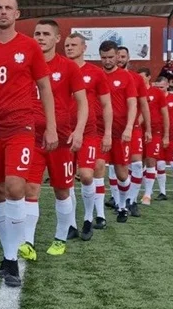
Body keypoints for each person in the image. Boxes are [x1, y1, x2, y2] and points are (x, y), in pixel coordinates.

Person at [0, 0, 57, 287]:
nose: (3, 12)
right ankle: (7, 256)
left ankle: (12, 259)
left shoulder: (29, 46)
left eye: (8, 8)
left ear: (17, 14)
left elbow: (45, 87)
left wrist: (50, 127)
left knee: (15, 186)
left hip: (21, 127)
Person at [26, 19, 87, 257]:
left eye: (46, 34)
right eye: (37, 33)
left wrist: (78, 131)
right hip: (31, 137)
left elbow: (82, 102)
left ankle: (60, 237)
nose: (40, 38)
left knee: (62, 190)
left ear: (57, 38)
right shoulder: (26, 64)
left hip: (61, 139)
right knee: (30, 189)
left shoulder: (68, 67)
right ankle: (27, 242)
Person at [63, 32, 112, 241]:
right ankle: (71, 224)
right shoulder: (59, 70)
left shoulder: (96, 73)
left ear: (84, 48)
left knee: (86, 175)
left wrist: (107, 133)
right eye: (67, 45)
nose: (69, 48)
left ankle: (88, 218)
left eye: (74, 45)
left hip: (89, 133)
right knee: (65, 180)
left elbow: (106, 104)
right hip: (64, 133)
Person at [99, 41, 139, 222]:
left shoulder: (126, 77)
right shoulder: (97, 75)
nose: (107, 61)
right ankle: (99, 215)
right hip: (99, 132)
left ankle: (123, 204)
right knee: (97, 170)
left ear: (117, 56)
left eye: (110, 57)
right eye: (104, 57)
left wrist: (129, 127)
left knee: (122, 173)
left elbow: (132, 104)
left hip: (120, 132)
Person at [115, 46, 150, 216]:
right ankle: (117, 200)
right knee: (115, 166)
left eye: (123, 56)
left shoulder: (136, 78)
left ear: (128, 58)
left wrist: (147, 128)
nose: (120, 59)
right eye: (118, 56)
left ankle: (132, 200)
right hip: (113, 129)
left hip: (133, 128)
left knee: (136, 164)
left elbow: (143, 105)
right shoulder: (104, 75)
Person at [137, 68, 169, 205]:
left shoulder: (157, 93)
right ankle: (133, 194)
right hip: (138, 131)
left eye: (142, 77)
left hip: (154, 132)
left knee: (151, 160)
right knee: (137, 163)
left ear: (149, 77)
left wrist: (166, 135)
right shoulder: (135, 91)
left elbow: (165, 114)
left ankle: (147, 194)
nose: (139, 79)